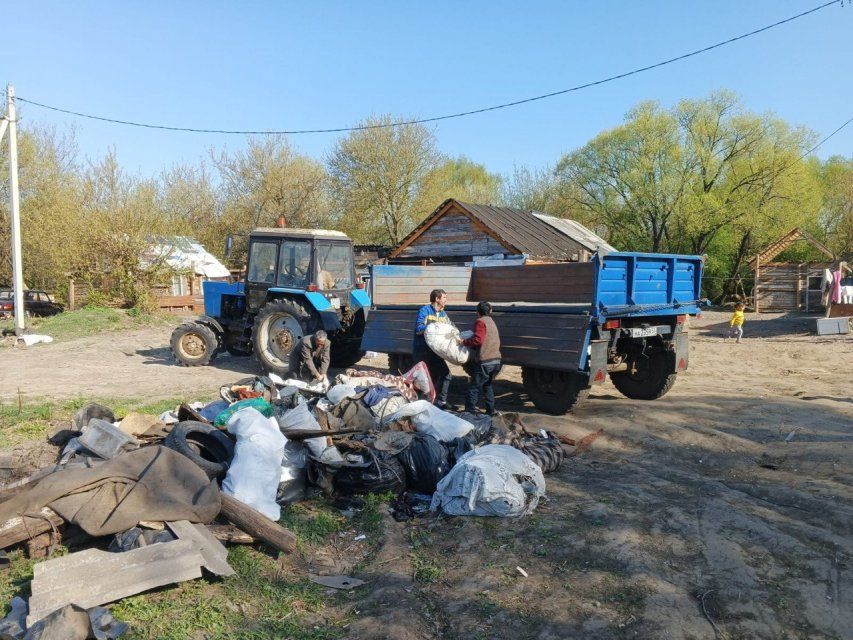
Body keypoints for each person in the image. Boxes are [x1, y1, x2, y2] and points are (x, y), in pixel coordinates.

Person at [413, 289, 453, 409]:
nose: (446, 300)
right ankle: (423, 405)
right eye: (444, 298)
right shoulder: (424, 311)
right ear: (437, 299)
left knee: (446, 375)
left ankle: (441, 402)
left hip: (436, 352)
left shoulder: (442, 314)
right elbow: (419, 329)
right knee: (425, 380)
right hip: (423, 351)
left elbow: (450, 326)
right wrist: (432, 326)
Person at [460, 301, 502, 415]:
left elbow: (478, 340)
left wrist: (463, 342)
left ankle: (469, 412)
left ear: (477, 312)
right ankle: (490, 410)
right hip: (496, 361)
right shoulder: (492, 322)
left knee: (473, 387)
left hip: (485, 361)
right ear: (491, 311)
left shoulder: (480, 322)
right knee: (487, 385)